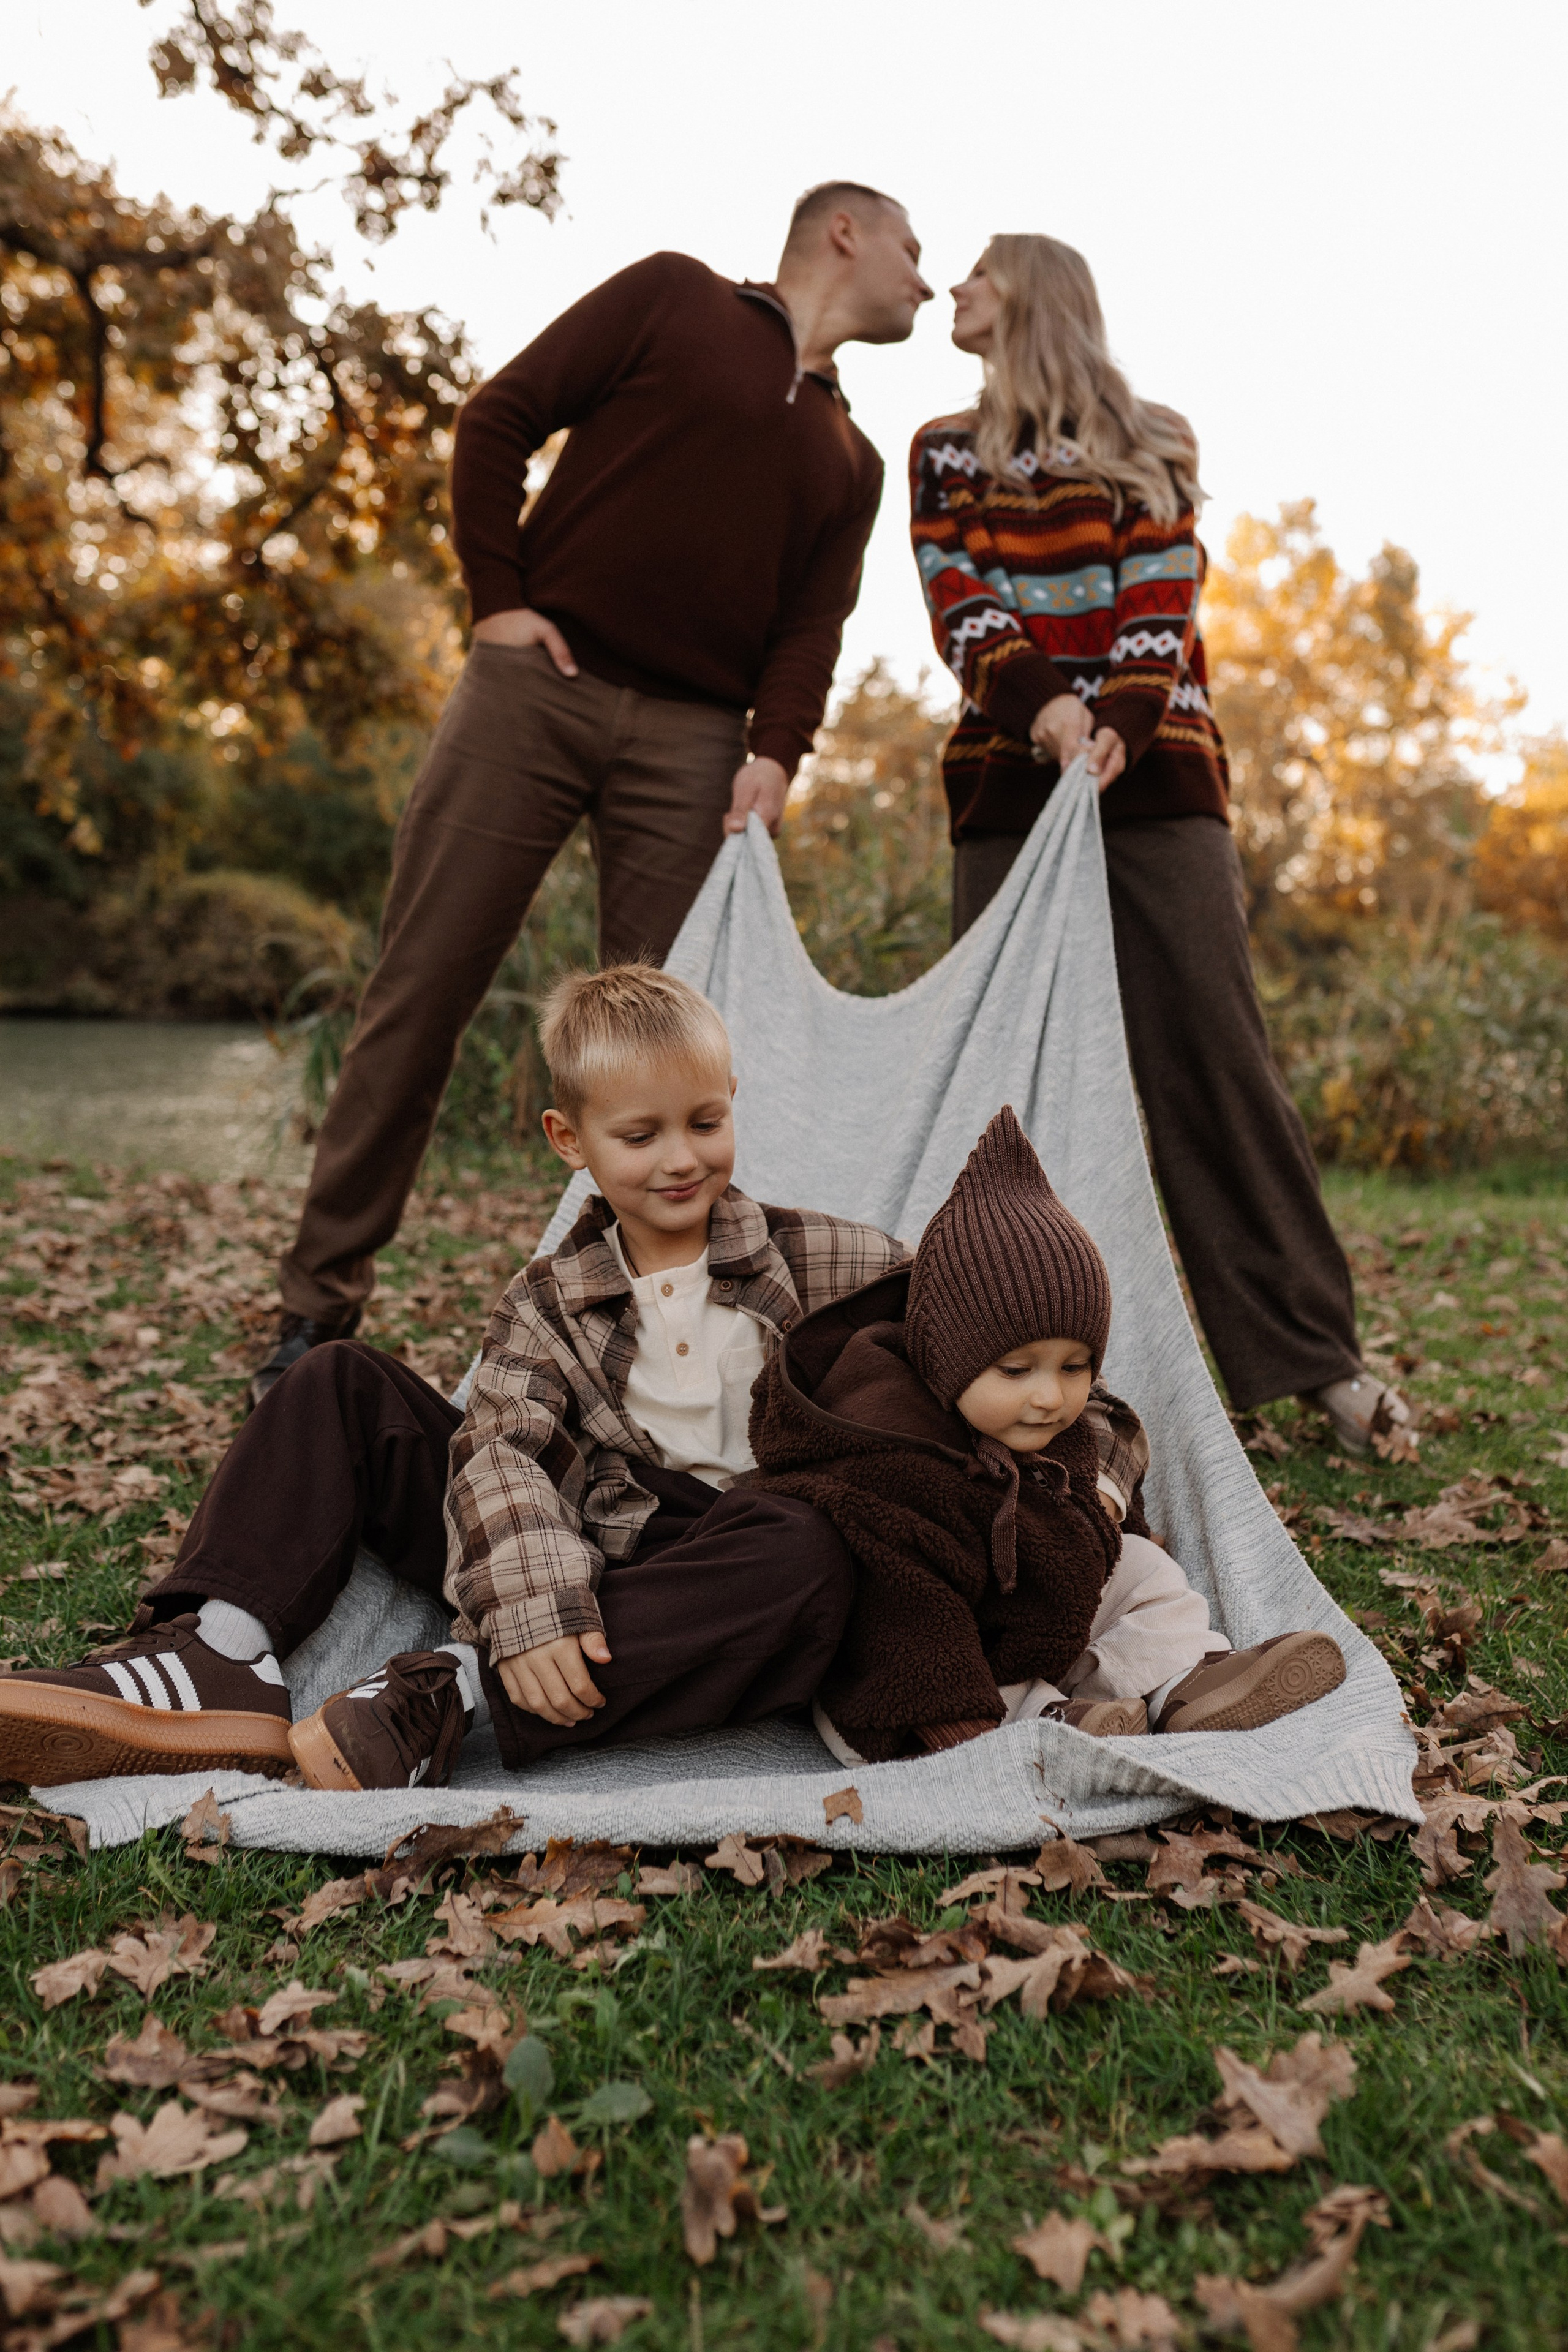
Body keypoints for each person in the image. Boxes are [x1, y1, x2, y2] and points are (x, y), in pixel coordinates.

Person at [0, 968, 1145, 1792]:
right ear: (571, 1139)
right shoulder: (550, 1300)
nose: (682, 1157)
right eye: (640, 1135)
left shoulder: (827, 1260)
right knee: (340, 1379)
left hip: (743, 1565)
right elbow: (499, 1450)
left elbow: (1011, 1344)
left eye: (706, 1120)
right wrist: (535, 1606)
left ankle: (446, 1694)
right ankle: (221, 1654)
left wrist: (1104, 1473)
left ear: (735, 1100)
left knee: (808, 1548)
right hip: (595, 1542)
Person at [251, 182, 935, 1409]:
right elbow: (498, 415)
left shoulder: (852, 458)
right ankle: (315, 1310)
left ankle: (646, 1345)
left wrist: (775, 751)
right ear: (844, 230)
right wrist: (495, 600)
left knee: (656, 1060)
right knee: (419, 990)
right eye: (912, 250)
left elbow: (807, 631)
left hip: (690, 742)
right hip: (536, 691)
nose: (924, 283)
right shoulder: (673, 298)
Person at [909, 235, 1410, 1457]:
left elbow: (1160, 591)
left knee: (1212, 1063)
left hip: (1159, 784)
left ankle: (1311, 1362)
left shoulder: (1153, 438)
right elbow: (955, 594)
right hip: (1010, 789)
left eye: (977, 271)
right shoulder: (940, 449)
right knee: (1006, 1094)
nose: (953, 290)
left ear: (1031, 292)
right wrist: (1043, 710)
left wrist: (1118, 721)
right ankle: (1006, 1361)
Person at [749, 1107, 1346, 1764]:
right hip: (912, 1676)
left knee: (1141, 1566)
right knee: (924, 1632)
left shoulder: (1042, 1425)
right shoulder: (887, 1455)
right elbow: (896, 1616)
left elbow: (1089, 1525)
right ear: (942, 1361)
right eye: (1015, 1370)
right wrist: (954, 1725)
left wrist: (1101, 1535)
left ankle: (1182, 1676)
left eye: (1074, 1367)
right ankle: (1039, 1723)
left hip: (1031, 1620)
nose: (1050, 1396)